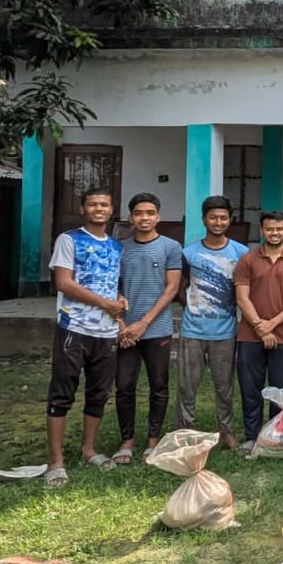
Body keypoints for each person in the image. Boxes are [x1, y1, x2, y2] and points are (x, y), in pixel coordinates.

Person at [44, 186, 126, 486]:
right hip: (74, 327)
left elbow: (107, 284)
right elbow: (64, 283)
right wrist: (105, 303)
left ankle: (88, 449)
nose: (99, 209)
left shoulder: (117, 247)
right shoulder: (69, 240)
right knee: (62, 393)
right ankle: (55, 461)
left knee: (99, 393)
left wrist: (118, 302)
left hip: (105, 331)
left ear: (112, 209)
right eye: (93, 204)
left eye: (104, 204)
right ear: (83, 208)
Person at [113, 192, 182, 463]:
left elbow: (172, 288)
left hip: (157, 328)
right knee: (124, 385)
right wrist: (121, 324)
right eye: (139, 213)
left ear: (158, 217)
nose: (145, 218)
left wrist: (144, 323)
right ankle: (127, 441)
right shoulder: (119, 247)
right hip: (125, 332)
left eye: (150, 213)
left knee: (159, 385)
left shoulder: (170, 247)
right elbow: (112, 288)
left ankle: (153, 441)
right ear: (131, 217)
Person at [177, 195, 247, 448]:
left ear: (230, 220)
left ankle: (226, 430)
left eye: (223, 217)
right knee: (187, 386)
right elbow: (179, 287)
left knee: (224, 386)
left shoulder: (241, 253)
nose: (218, 222)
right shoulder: (189, 253)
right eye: (213, 217)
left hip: (225, 330)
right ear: (204, 219)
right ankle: (185, 431)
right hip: (192, 329)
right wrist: (193, 307)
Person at [233, 211, 283, 453]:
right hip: (249, 335)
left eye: (279, 229)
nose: (275, 233)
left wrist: (270, 325)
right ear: (262, 231)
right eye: (270, 229)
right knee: (250, 387)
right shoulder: (248, 260)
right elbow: (242, 298)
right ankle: (252, 436)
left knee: (280, 389)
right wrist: (260, 327)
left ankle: (275, 437)